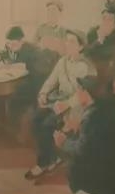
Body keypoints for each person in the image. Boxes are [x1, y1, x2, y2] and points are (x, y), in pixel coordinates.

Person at [28, 29, 92, 179]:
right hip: (59, 102)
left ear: (81, 46)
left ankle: (44, 163)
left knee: (47, 124)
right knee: (36, 119)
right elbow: (51, 81)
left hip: (76, 106)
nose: (68, 44)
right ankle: (53, 157)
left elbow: (84, 94)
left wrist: (66, 104)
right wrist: (43, 94)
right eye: (67, 41)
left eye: (72, 42)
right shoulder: (62, 61)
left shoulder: (84, 67)